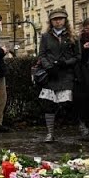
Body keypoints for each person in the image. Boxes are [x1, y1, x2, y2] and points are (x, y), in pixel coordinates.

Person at [36, 9, 80, 142]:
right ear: (51, 22)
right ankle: (50, 133)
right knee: (49, 104)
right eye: (55, 19)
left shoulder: (73, 37)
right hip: (51, 74)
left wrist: (65, 63)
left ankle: (80, 124)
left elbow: (78, 56)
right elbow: (42, 54)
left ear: (65, 20)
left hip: (66, 73)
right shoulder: (45, 36)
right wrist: (49, 66)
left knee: (68, 103)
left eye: (61, 19)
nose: (58, 21)